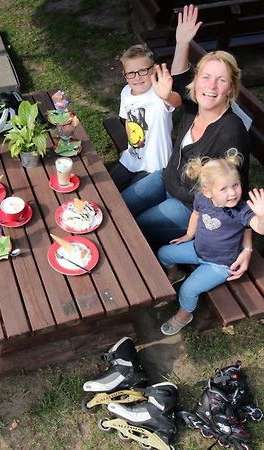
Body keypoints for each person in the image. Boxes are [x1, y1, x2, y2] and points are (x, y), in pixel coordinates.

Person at [121, 5, 252, 279]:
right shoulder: (197, 102)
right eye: (205, 77)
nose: (211, 86)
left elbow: (236, 191)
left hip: (189, 207)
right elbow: (178, 82)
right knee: (119, 207)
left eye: (221, 80)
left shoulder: (231, 132)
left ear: (231, 88)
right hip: (166, 179)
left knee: (131, 229)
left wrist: (247, 246)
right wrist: (182, 42)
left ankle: (166, 270)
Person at [157, 150, 264, 335]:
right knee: (164, 253)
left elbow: (259, 228)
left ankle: (184, 314)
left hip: (220, 264)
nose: (232, 193)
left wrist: (261, 215)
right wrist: (189, 235)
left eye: (236, 185)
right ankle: (175, 274)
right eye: (224, 189)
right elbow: (196, 215)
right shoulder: (202, 199)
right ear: (208, 192)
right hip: (198, 249)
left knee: (188, 290)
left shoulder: (242, 210)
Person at [109, 44, 182, 191]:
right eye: (131, 73)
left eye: (142, 71)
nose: (137, 77)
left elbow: (176, 101)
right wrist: (130, 147)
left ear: (154, 69)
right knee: (107, 189)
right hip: (131, 159)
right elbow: (128, 120)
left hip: (155, 167)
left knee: (126, 200)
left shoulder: (159, 95)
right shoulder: (126, 92)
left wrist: (167, 95)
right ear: (125, 75)